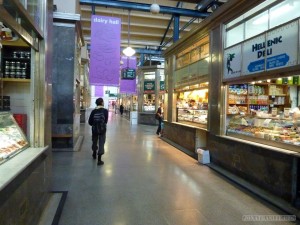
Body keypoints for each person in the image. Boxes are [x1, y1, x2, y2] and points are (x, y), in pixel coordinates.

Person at [88, 98, 108, 165]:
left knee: (94, 141)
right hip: (102, 130)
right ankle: (99, 160)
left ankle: (94, 153)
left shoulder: (93, 111)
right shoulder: (105, 111)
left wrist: (94, 125)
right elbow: (106, 121)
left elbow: (90, 122)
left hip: (94, 130)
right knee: (101, 142)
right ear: (102, 103)